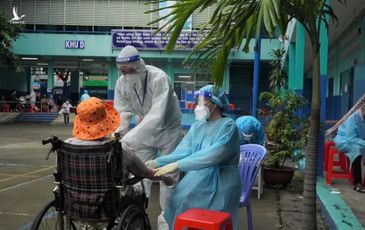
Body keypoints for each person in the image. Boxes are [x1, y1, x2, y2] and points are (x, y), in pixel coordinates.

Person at [65, 97, 173, 229]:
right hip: (107, 204)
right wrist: (163, 177)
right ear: (105, 123)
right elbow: (145, 172)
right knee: (138, 193)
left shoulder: (67, 146)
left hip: (73, 202)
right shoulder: (118, 149)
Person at [146, 85, 242, 230]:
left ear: (215, 103)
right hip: (199, 176)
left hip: (222, 180)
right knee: (177, 200)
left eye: (202, 102)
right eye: (197, 102)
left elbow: (214, 154)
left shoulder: (228, 127)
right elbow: (185, 150)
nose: (197, 106)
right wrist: (158, 161)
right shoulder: (198, 126)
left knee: (198, 208)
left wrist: (178, 165)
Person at [113, 45, 183, 228]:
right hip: (144, 129)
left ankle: (167, 220)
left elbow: (157, 115)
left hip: (168, 128)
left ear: (138, 66)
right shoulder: (121, 83)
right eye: (123, 71)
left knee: (168, 173)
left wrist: (129, 138)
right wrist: (117, 134)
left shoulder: (159, 78)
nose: (126, 74)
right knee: (140, 173)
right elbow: (122, 112)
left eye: (130, 70)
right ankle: (137, 215)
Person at [334, 105, 365, 193]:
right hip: (344, 140)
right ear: (363, 111)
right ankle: (357, 183)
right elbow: (351, 139)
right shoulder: (352, 118)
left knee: (360, 148)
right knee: (357, 151)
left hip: (359, 141)